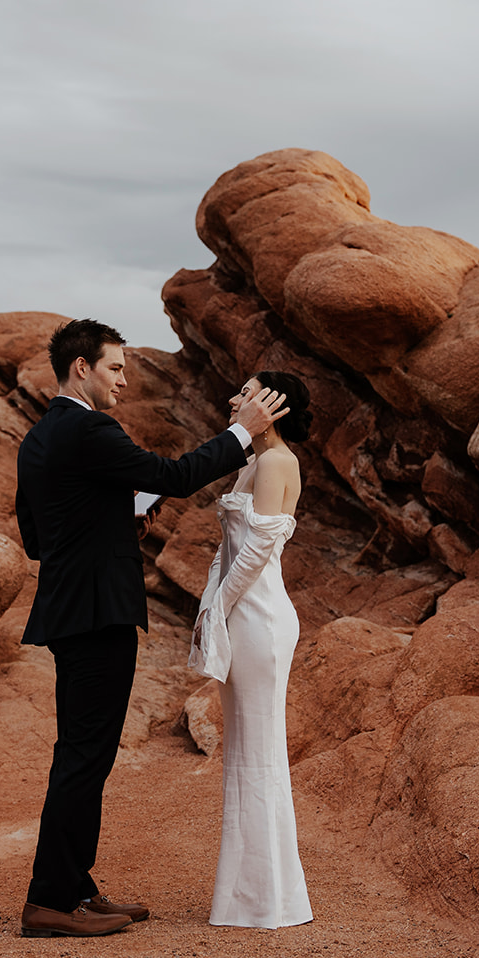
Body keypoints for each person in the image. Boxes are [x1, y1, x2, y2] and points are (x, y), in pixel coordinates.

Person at [14, 318, 288, 939]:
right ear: (81, 367)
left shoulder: (39, 438)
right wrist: (246, 432)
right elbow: (172, 476)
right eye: (114, 367)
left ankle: (75, 888)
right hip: (96, 613)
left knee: (86, 753)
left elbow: (39, 537)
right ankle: (51, 899)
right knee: (85, 756)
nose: (123, 378)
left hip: (71, 612)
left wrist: (119, 523)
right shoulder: (88, 427)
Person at [197, 369, 315, 929]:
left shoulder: (276, 462)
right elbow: (230, 551)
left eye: (244, 392)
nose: (233, 398)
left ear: (272, 404)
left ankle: (269, 901)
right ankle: (247, 897)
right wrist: (212, 609)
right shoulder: (252, 461)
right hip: (241, 613)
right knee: (244, 752)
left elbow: (256, 552)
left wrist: (214, 611)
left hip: (259, 619)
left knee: (261, 753)